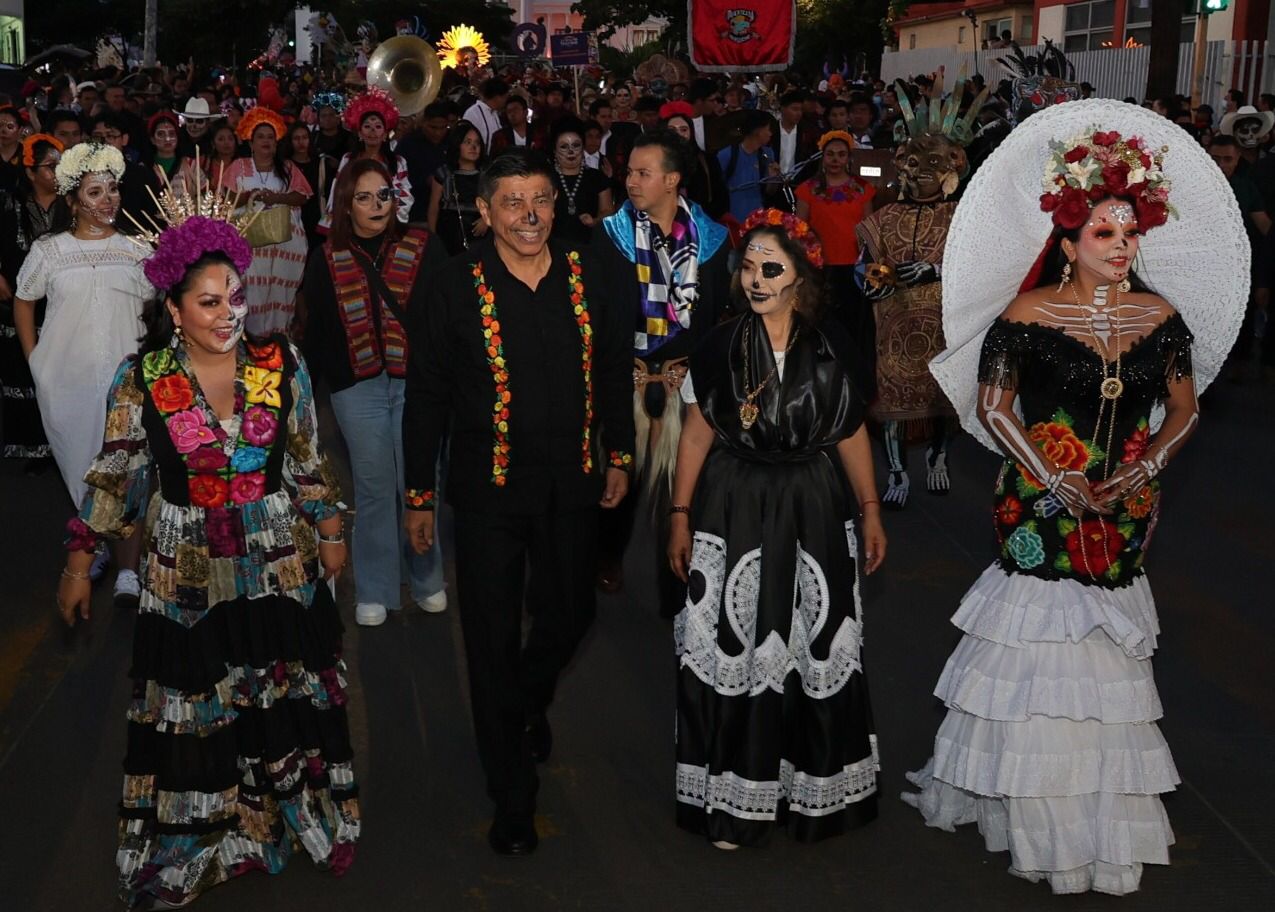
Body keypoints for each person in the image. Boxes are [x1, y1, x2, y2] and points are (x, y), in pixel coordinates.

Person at [903, 106, 1250, 895]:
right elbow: (994, 409)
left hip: (1126, 498)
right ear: (1064, 244)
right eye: (1103, 233)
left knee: (1104, 648)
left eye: (1129, 234)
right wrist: (1052, 476)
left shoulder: (1162, 319)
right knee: (1036, 641)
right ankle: (1028, 805)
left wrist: (1143, 467)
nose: (1121, 246)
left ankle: (1093, 803)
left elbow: (1185, 409)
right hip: (1037, 495)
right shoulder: (1020, 317)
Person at [57, 207, 359, 908]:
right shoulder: (143, 377)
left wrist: (332, 526)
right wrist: (80, 563)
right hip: (184, 571)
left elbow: (307, 455)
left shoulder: (280, 361)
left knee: (276, 693)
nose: (230, 314)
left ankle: (276, 820)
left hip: (276, 559)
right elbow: (117, 473)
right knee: (197, 709)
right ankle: (199, 837)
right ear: (173, 307)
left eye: (237, 297)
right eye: (210, 302)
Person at [403, 149, 634, 856]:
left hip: (572, 482)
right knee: (490, 639)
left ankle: (524, 702)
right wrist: (418, 495)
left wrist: (618, 453)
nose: (529, 215)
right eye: (512, 201)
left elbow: (614, 366)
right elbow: (427, 400)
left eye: (539, 199)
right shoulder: (450, 285)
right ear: (484, 212)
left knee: (571, 613)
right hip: (488, 492)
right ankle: (511, 795)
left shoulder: (589, 268)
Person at [667, 210, 886, 848]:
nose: (756, 279)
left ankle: (812, 793)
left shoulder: (832, 343)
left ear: (800, 278)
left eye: (772, 268)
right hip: (733, 504)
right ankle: (736, 799)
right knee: (740, 644)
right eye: (749, 266)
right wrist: (679, 516)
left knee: (814, 645)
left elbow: (849, 430)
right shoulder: (717, 345)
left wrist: (870, 507)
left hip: (814, 504)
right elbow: (697, 433)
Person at [302, 159, 448, 626]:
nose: (376, 205)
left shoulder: (424, 246)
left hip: (417, 386)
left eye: (383, 195)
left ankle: (427, 578)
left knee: (420, 482)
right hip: (356, 389)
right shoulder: (323, 258)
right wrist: (321, 387)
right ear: (346, 204)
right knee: (373, 487)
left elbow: (447, 317)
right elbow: (317, 331)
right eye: (363, 197)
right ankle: (376, 587)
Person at [593, 129, 730, 601]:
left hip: (685, 382)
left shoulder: (713, 240)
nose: (630, 180)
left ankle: (677, 584)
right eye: (628, 171)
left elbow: (714, 320)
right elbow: (601, 319)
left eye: (642, 173)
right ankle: (607, 554)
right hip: (627, 379)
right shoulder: (610, 238)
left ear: (671, 180)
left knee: (681, 493)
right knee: (619, 483)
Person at [13, 142, 150, 603]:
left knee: (127, 473)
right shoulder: (50, 251)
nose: (108, 199)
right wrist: (35, 362)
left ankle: (129, 569)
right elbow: (24, 299)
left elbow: (163, 306)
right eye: (95, 191)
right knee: (84, 471)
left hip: (128, 386)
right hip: (66, 383)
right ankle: (94, 546)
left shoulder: (137, 250)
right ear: (73, 201)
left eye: (113, 189)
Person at [857, 78, 986, 508]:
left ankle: (937, 457)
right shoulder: (884, 215)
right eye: (912, 159)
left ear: (953, 166)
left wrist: (932, 269)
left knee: (942, 401)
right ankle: (896, 472)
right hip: (893, 322)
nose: (920, 169)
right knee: (893, 397)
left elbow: (979, 268)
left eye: (932, 160)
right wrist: (872, 280)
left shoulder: (964, 218)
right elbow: (865, 263)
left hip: (945, 323)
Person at [0, 134, 66, 468]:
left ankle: (57, 446)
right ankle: (27, 444)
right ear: (30, 172)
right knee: (21, 370)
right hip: (17, 297)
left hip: (60, 303)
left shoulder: (72, 205)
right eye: (50, 167)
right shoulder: (10, 203)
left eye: (60, 166)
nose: (57, 172)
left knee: (57, 371)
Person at [223, 107, 312, 336]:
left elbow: (303, 196)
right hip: (250, 245)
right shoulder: (238, 166)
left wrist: (276, 198)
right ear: (250, 143)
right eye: (260, 136)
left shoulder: (287, 168)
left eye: (270, 137)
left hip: (282, 245)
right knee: (251, 290)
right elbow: (225, 198)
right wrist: (249, 196)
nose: (266, 141)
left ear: (277, 142)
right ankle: (249, 338)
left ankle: (278, 338)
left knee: (279, 292)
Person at [796, 131, 877, 371]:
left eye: (841, 155)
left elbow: (868, 230)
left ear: (849, 158)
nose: (835, 160)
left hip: (854, 268)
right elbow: (800, 229)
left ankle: (853, 369)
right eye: (830, 154)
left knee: (853, 323)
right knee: (821, 320)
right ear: (822, 157)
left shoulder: (863, 189)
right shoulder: (807, 189)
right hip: (820, 267)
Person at [330, 87, 413, 225]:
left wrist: (379, 201)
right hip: (353, 222)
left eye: (378, 127)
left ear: (385, 134)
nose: (373, 131)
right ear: (360, 134)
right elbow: (338, 192)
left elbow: (404, 194)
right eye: (367, 126)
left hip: (388, 222)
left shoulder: (398, 162)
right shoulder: (348, 159)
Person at [548, 116, 612, 245]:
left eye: (576, 146)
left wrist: (595, 220)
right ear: (555, 151)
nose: (571, 152)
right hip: (553, 244)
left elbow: (608, 211)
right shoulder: (546, 179)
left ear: (583, 149)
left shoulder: (597, 177)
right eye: (564, 147)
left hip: (590, 244)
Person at [427, 122, 488, 255]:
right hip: (449, 234)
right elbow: (434, 207)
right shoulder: (444, 173)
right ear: (457, 145)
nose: (473, 147)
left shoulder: (486, 174)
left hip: (480, 234)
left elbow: (497, 202)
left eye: (477, 143)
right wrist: (433, 238)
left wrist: (486, 219)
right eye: (467, 142)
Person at [662, 104, 729, 219]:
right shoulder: (654, 161)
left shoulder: (707, 160)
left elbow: (721, 197)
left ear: (691, 133)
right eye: (672, 130)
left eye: (683, 130)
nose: (678, 134)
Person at [718, 110, 777, 223]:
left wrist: (773, 178)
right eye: (768, 129)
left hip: (758, 219)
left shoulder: (768, 154)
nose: (770, 133)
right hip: (733, 219)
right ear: (758, 131)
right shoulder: (727, 155)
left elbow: (769, 192)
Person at [286, 120, 336, 248]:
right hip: (292, 219)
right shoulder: (285, 166)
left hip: (316, 218)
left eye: (304, 137)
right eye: (296, 138)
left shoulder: (321, 164)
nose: (301, 142)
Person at [463, 77, 509, 154]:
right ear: (497, 97)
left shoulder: (494, 113)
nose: (506, 101)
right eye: (505, 98)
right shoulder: (473, 113)